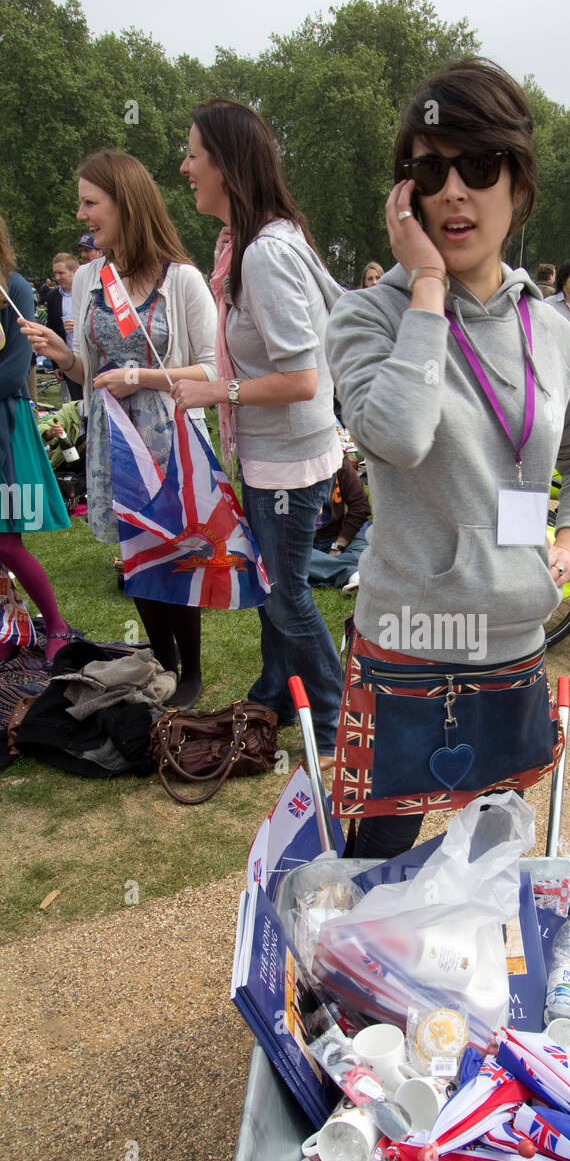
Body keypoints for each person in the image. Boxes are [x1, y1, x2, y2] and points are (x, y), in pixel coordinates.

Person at [325, 57, 570, 860]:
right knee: (375, 875)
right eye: (430, 169)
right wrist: (424, 287)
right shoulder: (365, 319)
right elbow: (398, 436)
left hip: (516, 640)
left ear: (518, 186)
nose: (454, 190)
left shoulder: (554, 331)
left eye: (479, 166)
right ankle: (351, 991)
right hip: (408, 644)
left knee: (491, 870)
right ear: (405, 195)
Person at [172, 99, 345, 753]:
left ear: (227, 164)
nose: (185, 166)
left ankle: (331, 719)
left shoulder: (265, 254)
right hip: (273, 454)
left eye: (194, 154)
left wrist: (221, 390)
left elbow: (302, 377)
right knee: (273, 585)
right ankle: (275, 693)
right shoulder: (241, 245)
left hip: (290, 461)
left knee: (284, 595)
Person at [19, 150, 218, 706]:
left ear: (124, 202)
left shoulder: (181, 279)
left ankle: (194, 670)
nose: (81, 215)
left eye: (90, 202)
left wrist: (143, 375)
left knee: (174, 555)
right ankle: (164, 660)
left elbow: (213, 367)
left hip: (170, 438)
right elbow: (89, 372)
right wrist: (63, 355)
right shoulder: (88, 277)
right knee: (137, 557)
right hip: (114, 440)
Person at [0, 215, 73, 666]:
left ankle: (57, 625)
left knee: (7, 543)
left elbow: (12, 371)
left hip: (6, 429)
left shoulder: (15, 287)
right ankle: (13, 622)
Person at [308, 450, 371, 590]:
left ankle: (318, 571)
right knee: (283, 557)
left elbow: (360, 507)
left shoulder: (337, 461)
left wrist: (338, 545)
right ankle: (352, 572)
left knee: (370, 549)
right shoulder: (287, 467)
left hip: (334, 538)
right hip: (300, 543)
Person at [44, 252, 83, 401]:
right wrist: (56, 363)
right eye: (55, 273)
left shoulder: (89, 292)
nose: (57, 277)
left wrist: (78, 326)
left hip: (88, 358)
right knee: (76, 404)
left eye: (61, 273)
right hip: (68, 358)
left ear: (74, 272)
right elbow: (52, 330)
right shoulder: (53, 297)